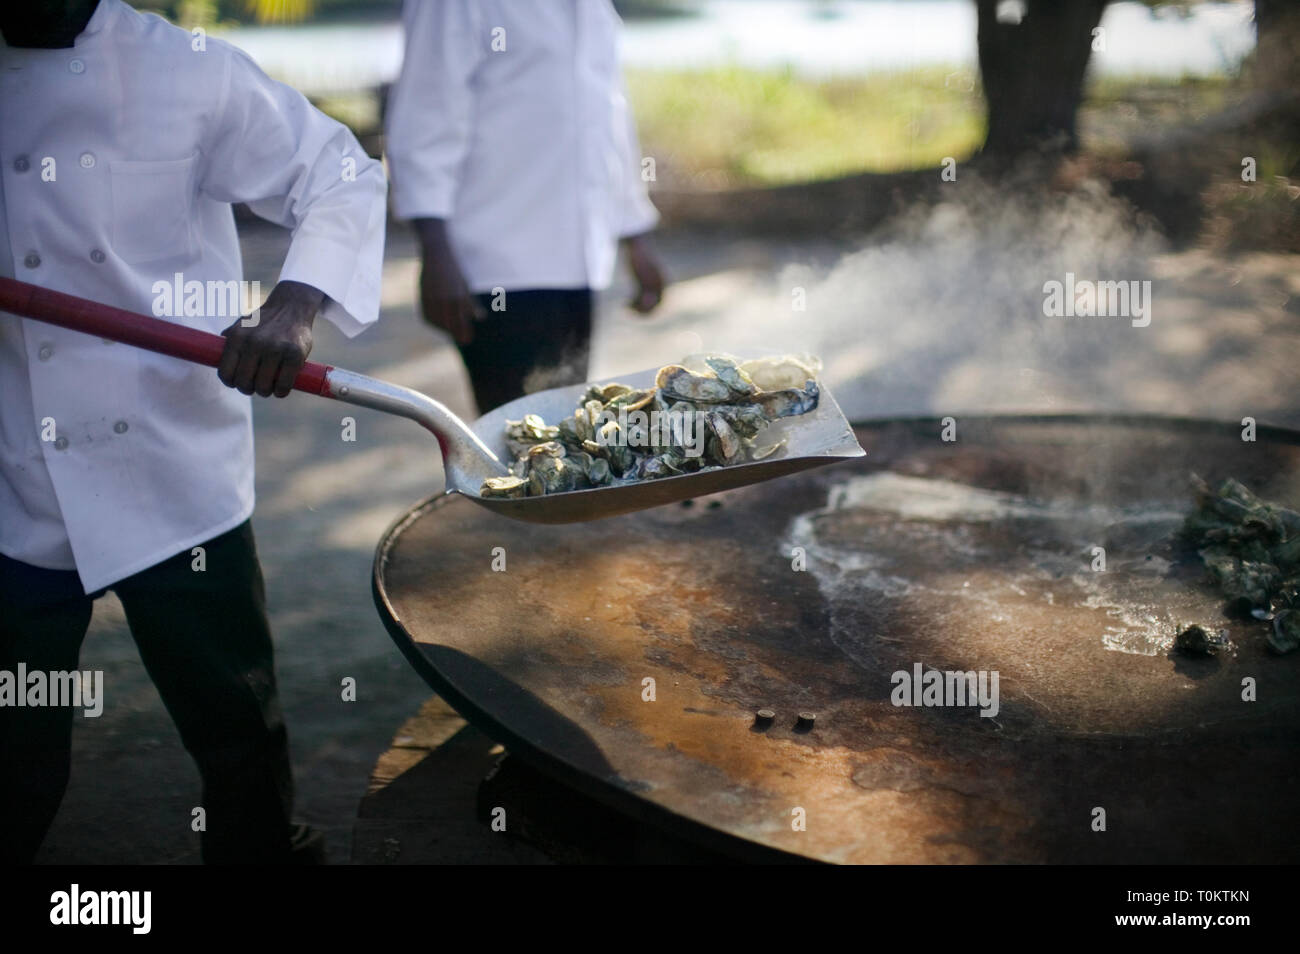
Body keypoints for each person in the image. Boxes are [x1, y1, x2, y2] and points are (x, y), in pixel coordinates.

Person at [0, 0, 386, 863]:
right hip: (16, 472)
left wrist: (292, 306)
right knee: (16, 758)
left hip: (172, 469)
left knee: (237, 736)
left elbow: (343, 172)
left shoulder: (188, 68)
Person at [386, 0, 667, 414]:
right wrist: (435, 250)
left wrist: (635, 235)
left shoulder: (593, 7)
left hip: (580, 263)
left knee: (565, 433)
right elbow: (423, 117)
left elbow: (609, 117)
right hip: (494, 265)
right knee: (516, 439)